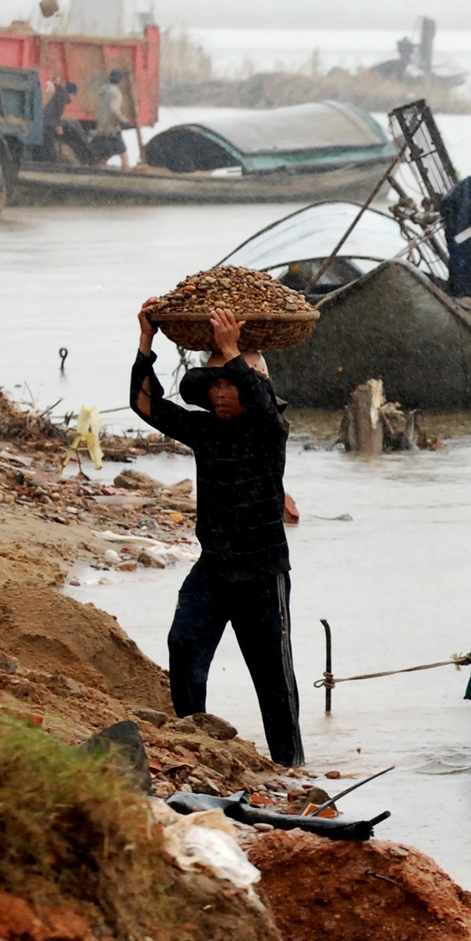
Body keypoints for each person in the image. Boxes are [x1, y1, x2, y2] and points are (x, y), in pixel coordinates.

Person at [130, 305, 303, 767]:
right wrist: (147, 345)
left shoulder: (270, 430)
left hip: (263, 573)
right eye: (216, 385)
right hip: (214, 568)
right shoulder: (205, 430)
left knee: (273, 680)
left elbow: (263, 402)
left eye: (231, 383)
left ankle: (290, 767)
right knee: (183, 644)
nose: (223, 393)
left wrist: (230, 351)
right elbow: (145, 406)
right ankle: (196, 739)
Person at [92, 69, 131, 170]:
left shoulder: (103, 91)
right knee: (123, 152)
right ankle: (127, 174)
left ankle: (97, 174)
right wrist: (124, 120)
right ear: (120, 80)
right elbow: (113, 109)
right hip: (111, 127)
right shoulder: (115, 93)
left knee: (104, 155)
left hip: (101, 126)